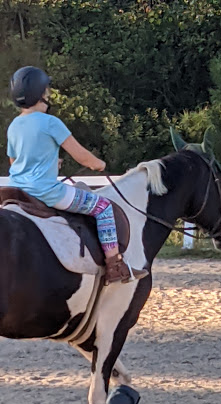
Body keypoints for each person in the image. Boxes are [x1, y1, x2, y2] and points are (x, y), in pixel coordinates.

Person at [7, 66, 148, 285]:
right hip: (47, 193)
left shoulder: (14, 125)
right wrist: (97, 164)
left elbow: (15, 161)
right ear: (39, 94)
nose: (48, 94)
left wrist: (52, 163)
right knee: (103, 208)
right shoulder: (50, 123)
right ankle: (114, 266)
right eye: (46, 90)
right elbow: (81, 155)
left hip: (17, 189)